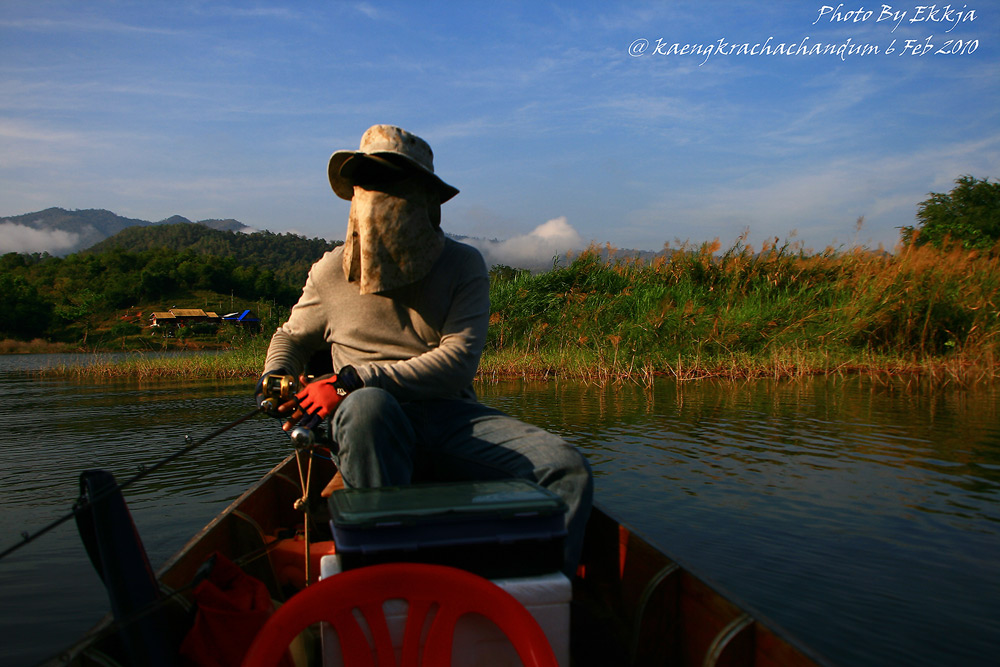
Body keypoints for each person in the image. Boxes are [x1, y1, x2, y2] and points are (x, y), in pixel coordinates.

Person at [256, 124, 592, 575]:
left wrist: (349, 380)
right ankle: (387, 580)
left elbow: (457, 362)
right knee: (369, 407)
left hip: (450, 419)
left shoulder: (461, 263)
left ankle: (528, 604)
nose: (375, 195)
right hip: (368, 425)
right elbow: (291, 337)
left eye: (391, 183)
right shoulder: (331, 270)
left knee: (567, 470)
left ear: (426, 199)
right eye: (366, 183)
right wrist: (277, 376)